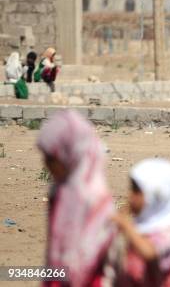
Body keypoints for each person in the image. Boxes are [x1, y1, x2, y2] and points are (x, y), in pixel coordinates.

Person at [36, 110, 116, 287]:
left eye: (51, 158)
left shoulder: (94, 199)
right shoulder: (60, 191)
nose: (46, 165)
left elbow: (89, 261)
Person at [112, 158, 170, 287]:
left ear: (156, 195)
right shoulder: (143, 227)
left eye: (136, 191)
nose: (130, 196)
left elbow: (151, 253)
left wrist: (126, 226)